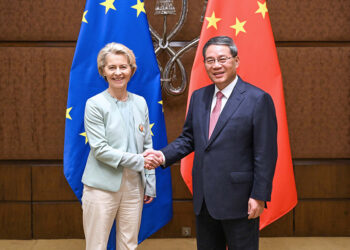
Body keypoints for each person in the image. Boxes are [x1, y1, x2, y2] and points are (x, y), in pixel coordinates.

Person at [145, 36, 278, 250]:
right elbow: (189, 138)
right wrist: (162, 156)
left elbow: (266, 154)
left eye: (222, 59)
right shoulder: (199, 97)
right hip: (205, 199)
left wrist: (259, 195)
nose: (216, 65)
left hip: (240, 200)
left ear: (236, 61)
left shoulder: (257, 99)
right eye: (210, 60)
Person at [81, 42, 159, 250]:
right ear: (103, 71)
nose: (118, 72)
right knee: (96, 245)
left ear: (132, 70)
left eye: (123, 67)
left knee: (129, 244)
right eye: (112, 67)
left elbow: (147, 145)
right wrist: (140, 161)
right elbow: (100, 150)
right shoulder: (95, 104)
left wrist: (149, 183)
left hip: (134, 186)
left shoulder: (140, 102)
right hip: (101, 187)